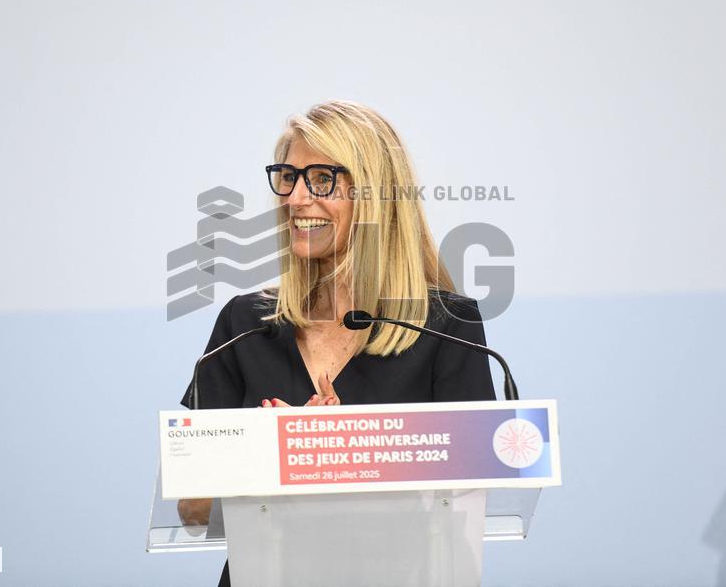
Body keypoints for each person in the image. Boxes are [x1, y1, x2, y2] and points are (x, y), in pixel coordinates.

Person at [178, 100, 497, 586]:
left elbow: (469, 496)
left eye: (321, 179)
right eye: (288, 177)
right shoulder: (245, 326)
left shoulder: (446, 325)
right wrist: (270, 457)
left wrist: (333, 455)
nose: (296, 198)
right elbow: (191, 508)